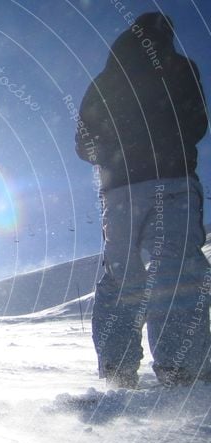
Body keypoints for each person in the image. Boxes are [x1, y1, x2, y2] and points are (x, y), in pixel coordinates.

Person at [75, 12, 210, 388]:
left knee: (123, 275)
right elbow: (197, 123)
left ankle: (117, 370)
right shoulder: (180, 67)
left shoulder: (104, 81)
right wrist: (164, 144)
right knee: (176, 269)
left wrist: (116, 154)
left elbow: (82, 143)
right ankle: (183, 369)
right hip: (172, 179)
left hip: (120, 192)